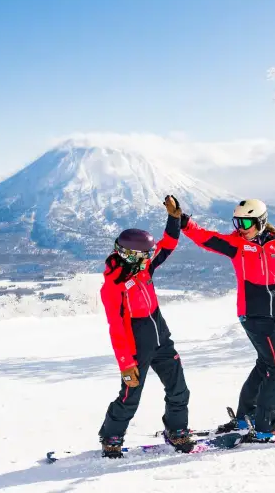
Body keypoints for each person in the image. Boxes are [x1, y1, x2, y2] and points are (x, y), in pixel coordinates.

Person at [176, 198, 275, 441]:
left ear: (260, 221)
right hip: (254, 314)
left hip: (272, 314)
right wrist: (184, 222)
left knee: (266, 364)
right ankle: (269, 422)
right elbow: (207, 238)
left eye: (246, 221)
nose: (240, 227)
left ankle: (245, 415)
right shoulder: (237, 244)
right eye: (237, 221)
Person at [97, 195, 193, 458]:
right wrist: (126, 364)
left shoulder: (144, 268)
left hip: (161, 335)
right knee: (130, 397)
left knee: (179, 389)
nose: (149, 257)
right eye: (144, 254)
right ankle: (111, 436)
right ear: (130, 255)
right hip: (136, 344)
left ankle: (177, 430)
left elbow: (168, 245)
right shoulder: (113, 287)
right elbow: (116, 327)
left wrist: (174, 219)